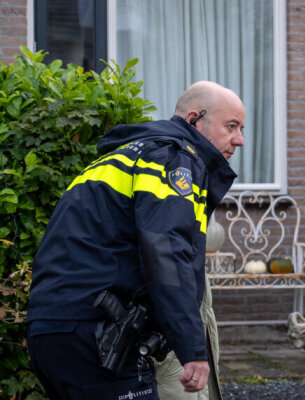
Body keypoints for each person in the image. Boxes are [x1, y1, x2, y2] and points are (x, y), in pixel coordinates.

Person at [25, 81, 243, 399]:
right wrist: (192, 348)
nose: (239, 139)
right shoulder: (173, 157)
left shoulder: (120, 158)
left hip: (52, 330)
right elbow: (165, 250)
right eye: (231, 126)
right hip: (96, 336)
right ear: (194, 119)